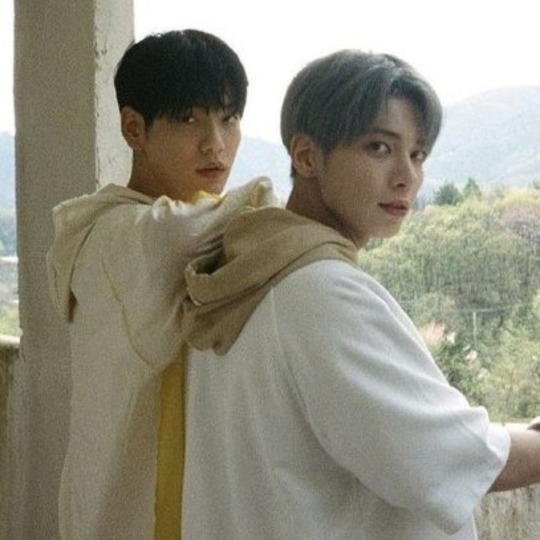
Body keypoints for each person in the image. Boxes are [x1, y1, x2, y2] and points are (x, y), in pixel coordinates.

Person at [179, 50, 540, 539]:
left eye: (417, 154)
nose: (407, 176)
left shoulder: (246, 272)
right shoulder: (319, 291)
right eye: (379, 148)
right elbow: (446, 456)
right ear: (306, 156)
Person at [46, 29, 278, 540]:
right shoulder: (115, 236)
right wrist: (273, 199)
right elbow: (178, 235)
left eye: (228, 118)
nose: (215, 143)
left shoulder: (152, 226)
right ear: (134, 128)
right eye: (188, 119)